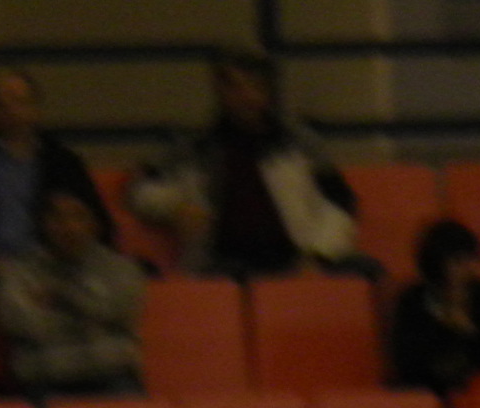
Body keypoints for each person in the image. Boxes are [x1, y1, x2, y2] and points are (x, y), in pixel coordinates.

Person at [128, 48, 360, 276]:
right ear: (220, 91)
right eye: (235, 87)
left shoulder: (298, 143)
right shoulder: (196, 146)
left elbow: (341, 202)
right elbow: (140, 188)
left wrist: (318, 255)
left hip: (292, 259)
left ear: (268, 91)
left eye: (255, 86)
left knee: (363, 269)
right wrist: (174, 206)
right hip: (218, 264)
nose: (246, 96)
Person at [0, 65, 106, 285]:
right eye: (0, 104)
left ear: (36, 109)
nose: (11, 110)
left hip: (58, 267)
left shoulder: (64, 164)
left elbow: (99, 226)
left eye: (18, 101)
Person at [0, 184, 147, 398]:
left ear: (94, 224)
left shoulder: (120, 268)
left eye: (78, 217)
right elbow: (25, 324)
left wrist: (60, 297)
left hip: (112, 375)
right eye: (58, 218)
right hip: (47, 379)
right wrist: (91, 317)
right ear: (43, 224)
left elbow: (119, 310)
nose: (69, 226)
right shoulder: (18, 272)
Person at [389, 218, 480, 395]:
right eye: (458, 261)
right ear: (437, 264)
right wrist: (444, 330)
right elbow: (407, 363)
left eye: (472, 259)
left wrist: (468, 332)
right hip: (425, 393)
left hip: (479, 394)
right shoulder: (412, 302)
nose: (469, 268)